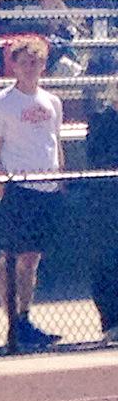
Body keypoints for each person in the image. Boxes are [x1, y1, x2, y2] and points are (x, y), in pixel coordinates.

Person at [0, 35, 64, 348]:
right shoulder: (0, 105)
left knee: (32, 258)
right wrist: (2, 189)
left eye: (37, 62)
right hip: (18, 189)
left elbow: (55, 143)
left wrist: (60, 177)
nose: (31, 68)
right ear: (14, 65)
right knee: (13, 256)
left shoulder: (53, 102)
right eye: (25, 62)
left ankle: (25, 317)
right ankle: (14, 323)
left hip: (47, 187)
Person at [86, 87, 118, 342]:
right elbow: (98, 158)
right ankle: (111, 321)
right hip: (108, 201)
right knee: (107, 261)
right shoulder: (101, 119)